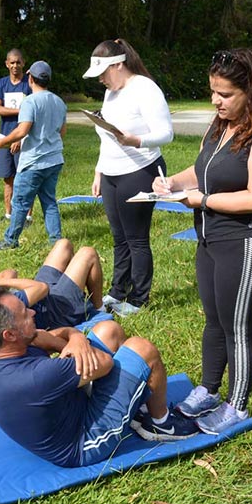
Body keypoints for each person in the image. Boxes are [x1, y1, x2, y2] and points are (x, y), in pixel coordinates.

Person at [152, 48, 252, 434]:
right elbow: (202, 171)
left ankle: (237, 405)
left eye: (225, 94)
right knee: (214, 320)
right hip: (210, 238)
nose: (216, 101)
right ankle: (209, 389)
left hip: (247, 240)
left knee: (238, 325)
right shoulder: (219, 126)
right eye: (213, 92)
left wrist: (203, 200)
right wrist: (174, 183)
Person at [0, 287, 199, 467]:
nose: (32, 312)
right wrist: (73, 340)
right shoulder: (34, 377)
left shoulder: (4, 350)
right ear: (9, 334)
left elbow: (55, 335)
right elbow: (104, 364)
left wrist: (76, 338)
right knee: (142, 349)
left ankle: (134, 406)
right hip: (83, 443)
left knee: (109, 330)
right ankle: (160, 424)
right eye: (24, 314)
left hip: (70, 407)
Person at [83, 39, 174, 317]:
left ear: (119, 64)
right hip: (111, 173)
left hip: (140, 171)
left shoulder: (145, 88)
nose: (100, 80)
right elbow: (107, 135)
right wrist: (99, 171)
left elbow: (166, 133)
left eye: (103, 73)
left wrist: (135, 141)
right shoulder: (111, 91)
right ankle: (118, 291)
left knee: (136, 239)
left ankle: (138, 299)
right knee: (118, 237)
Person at [0, 239, 106, 329]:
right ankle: (99, 309)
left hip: (42, 298)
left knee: (63, 245)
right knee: (87, 253)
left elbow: (11, 272)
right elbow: (42, 288)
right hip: (57, 311)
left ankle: (78, 290)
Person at [0, 60, 66, 251]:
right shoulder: (59, 102)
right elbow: (62, 132)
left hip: (34, 161)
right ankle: (56, 242)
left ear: (30, 78)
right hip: (54, 160)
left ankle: (10, 240)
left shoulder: (30, 101)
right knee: (49, 201)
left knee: (20, 202)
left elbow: (22, 130)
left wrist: (3, 141)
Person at [0, 48, 32, 222]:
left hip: (25, 138)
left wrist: (21, 138)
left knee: (25, 179)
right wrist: (20, 109)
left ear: (23, 63)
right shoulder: (0, 84)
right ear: (7, 64)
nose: (15, 65)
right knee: (8, 178)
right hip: (5, 137)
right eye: (12, 62)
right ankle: (8, 214)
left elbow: (33, 114)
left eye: (18, 62)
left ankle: (28, 217)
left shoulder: (29, 85)